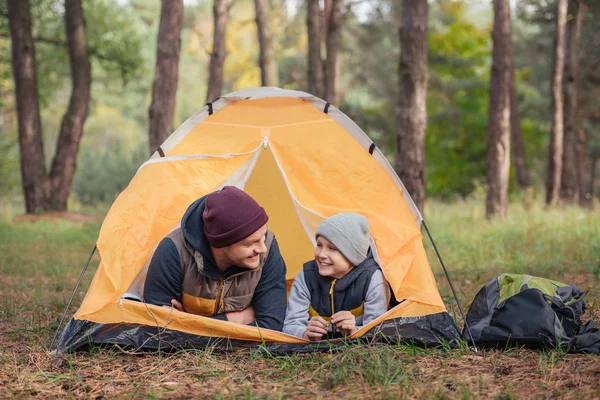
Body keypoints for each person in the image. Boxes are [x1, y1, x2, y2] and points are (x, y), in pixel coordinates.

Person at [143, 186, 287, 331]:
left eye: (264, 236)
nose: (263, 248)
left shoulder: (268, 248)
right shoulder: (173, 250)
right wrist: (240, 318)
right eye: (251, 243)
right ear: (222, 243)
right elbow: (158, 330)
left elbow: (271, 327)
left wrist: (187, 324)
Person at [283, 213, 390, 340]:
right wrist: (305, 333)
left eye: (332, 248)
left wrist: (354, 331)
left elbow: (378, 332)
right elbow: (289, 326)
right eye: (319, 245)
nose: (322, 254)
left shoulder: (372, 280)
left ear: (352, 254)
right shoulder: (306, 277)